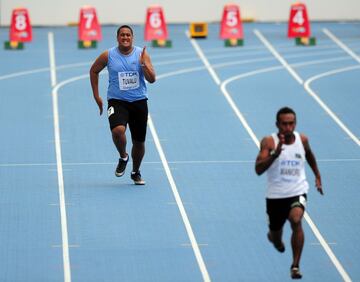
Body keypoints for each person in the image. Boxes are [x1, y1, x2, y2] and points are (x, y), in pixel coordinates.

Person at [255, 107, 323, 279]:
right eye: (284, 124)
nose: (288, 127)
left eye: (291, 123)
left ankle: (295, 265)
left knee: (296, 219)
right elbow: (258, 169)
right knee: (276, 235)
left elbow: (309, 155)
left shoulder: (302, 139)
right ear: (277, 124)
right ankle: (275, 239)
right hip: (275, 197)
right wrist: (274, 155)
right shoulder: (268, 142)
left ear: (295, 123)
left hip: (297, 191)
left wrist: (317, 175)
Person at [90, 25, 156, 185]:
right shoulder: (108, 55)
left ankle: (135, 171)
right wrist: (96, 96)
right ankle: (123, 156)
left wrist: (143, 65)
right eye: (122, 35)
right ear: (117, 38)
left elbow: (152, 79)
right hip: (117, 101)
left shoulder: (142, 54)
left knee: (139, 142)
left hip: (139, 102)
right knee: (118, 131)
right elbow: (93, 71)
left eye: (128, 35)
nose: (125, 38)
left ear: (132, 37)